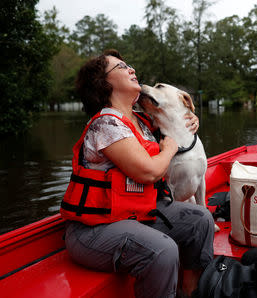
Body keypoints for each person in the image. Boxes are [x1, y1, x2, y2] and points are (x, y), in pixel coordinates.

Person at [60, 49, 214, 298]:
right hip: (92, 231)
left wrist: (190, 116)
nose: (131, 69)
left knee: (201, 219)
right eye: (121, 67)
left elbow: (172, 116)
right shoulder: (106, 124)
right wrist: (169, 148)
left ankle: (190, 291)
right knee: (163, 250)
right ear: (103, 83)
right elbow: (149, 172)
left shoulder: (141, 122)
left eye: (129, 65)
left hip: (133, 215)